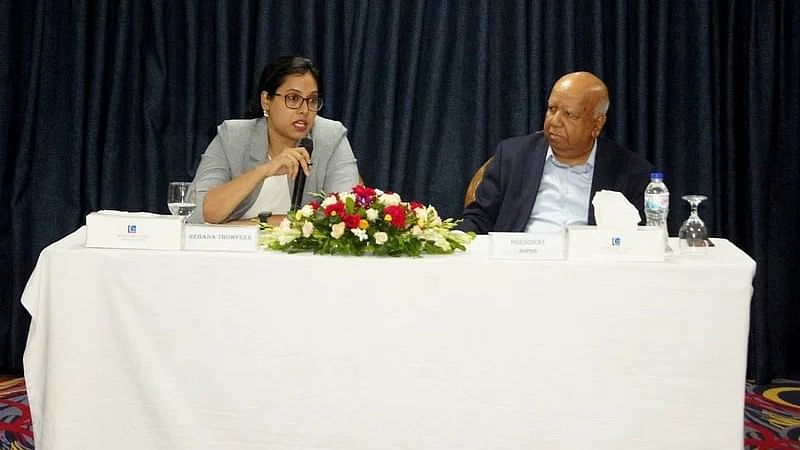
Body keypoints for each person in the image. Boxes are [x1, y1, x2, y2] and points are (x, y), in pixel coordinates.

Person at [459, 71, 654, 234]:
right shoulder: (513, 155)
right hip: (521, 266)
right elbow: (480, 216)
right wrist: (454, 238)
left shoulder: (631, 171)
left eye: (569, 114)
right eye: (552, 109)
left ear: (597, 124)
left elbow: (646, 235)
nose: (554, 121)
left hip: (593, 273)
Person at [189, 56, 360, 225]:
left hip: (299, 252)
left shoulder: (330, 137)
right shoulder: (232, 137)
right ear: (266, 100)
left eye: (312, 100)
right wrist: (264, 170)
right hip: (231, 251)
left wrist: (260, 222)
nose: (304, 110)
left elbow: (345, 216)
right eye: (293, 98)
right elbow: (196, 212)